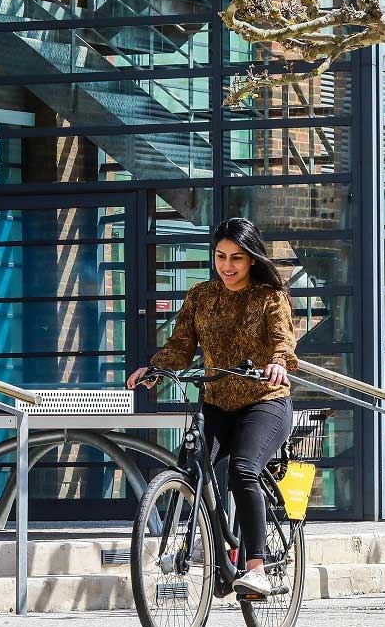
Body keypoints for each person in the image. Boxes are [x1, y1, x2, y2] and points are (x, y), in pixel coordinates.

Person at [128, 218, 299, 598]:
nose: (227, 265)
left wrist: (278, 364)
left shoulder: (270, 296)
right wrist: (157, 367)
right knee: (188, 467)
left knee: (242, 469)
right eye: (220, 256)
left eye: (236, 257)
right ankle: (213, 553)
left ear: (252, 259)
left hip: (264, 401)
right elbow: (181, 344)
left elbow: (282, 342)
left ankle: (255, 567)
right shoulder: (201, 296)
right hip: (217, 400)